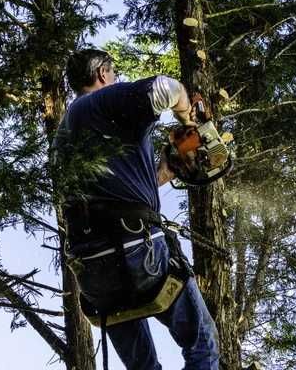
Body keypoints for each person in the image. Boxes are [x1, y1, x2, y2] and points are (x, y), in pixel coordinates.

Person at [53, 49, 219, 370]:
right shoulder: (101, 101)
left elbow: (115, 190)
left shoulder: (65, 135)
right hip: (136, 254)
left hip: (92, 273)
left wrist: (166, 170)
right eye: (113, 74)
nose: (115, 80)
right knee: (202, 344)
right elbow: (167, 88)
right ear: (102, 73)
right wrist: (190, 119)